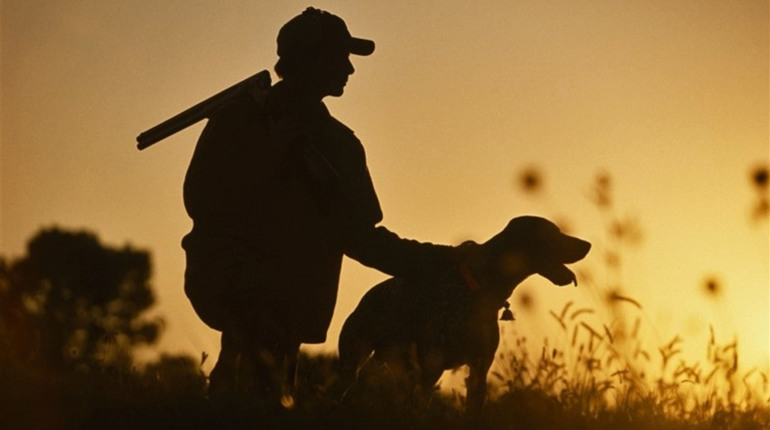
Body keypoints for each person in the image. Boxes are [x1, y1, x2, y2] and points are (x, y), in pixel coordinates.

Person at [181, 7, 481, 415]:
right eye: (339, 57)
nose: (349, 70)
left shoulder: (340, 144)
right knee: (257, 377)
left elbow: (362, 238)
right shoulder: (241, 118)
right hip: (234, 277)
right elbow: (203, 199)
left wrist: (442, 259)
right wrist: (276, 156)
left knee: (265, 392)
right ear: (307, 59)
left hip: (288, 296)